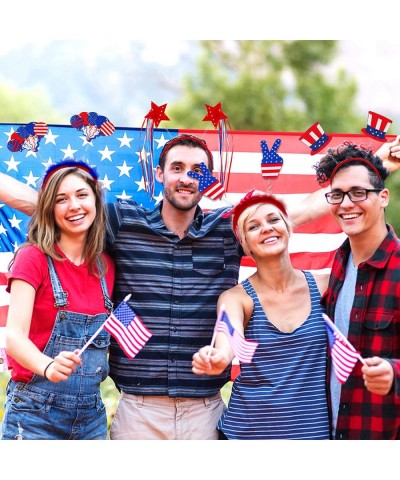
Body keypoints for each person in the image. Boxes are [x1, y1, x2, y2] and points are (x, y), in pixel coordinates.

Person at [0, 133, 398, 440]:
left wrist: (378, 163)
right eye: (176, 167)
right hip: (138, 411)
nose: (186, 177)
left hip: (206, 411)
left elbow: (300, 211)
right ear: (160, 174)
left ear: (207, 179)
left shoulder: (228, 228)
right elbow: (46, 203)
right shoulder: (121, 221)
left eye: (196, 170)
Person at [192, 192, 331, 439]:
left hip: (313, 433)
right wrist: (218, 358)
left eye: (273, 220)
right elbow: (229, 341)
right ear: (244, 243)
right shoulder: (236, 298)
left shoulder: (325, 286)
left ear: (288, 228)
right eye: (254, 226)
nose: (266, 229)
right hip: (248, 433)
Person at [0, 160, 115, 440]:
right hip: (34, 413)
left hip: (91, 416)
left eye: (81, 195)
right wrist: (47, 365)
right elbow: (14, 337)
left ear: (96, 201)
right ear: (49, 209)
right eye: (61, 199)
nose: (74, 206)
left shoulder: (106, 266)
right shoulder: (33, 257)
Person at [313, 141, 400, 440]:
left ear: (383, 197)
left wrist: (394, 374)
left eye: (359, 193)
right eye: (337, 195)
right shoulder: (339, 263)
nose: (346, 204)